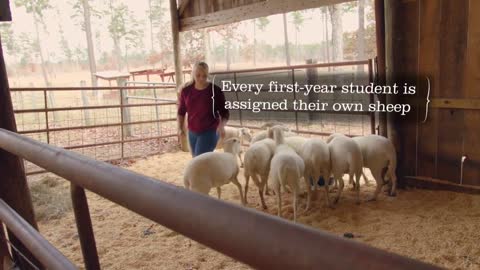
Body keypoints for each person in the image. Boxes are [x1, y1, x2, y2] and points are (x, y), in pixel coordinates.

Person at [177, 61, 229, 157]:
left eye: (204, 76)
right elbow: (181, 111)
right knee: (197, 160)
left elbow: (225, 112)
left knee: (198, 160)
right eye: (198, 75)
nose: (201, 78)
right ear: (193, 74)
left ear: (207, 75)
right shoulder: (186, 91)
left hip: (210, 131)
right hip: (192, 131)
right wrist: (180, 128)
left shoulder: (215, 91)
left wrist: (221, 126)